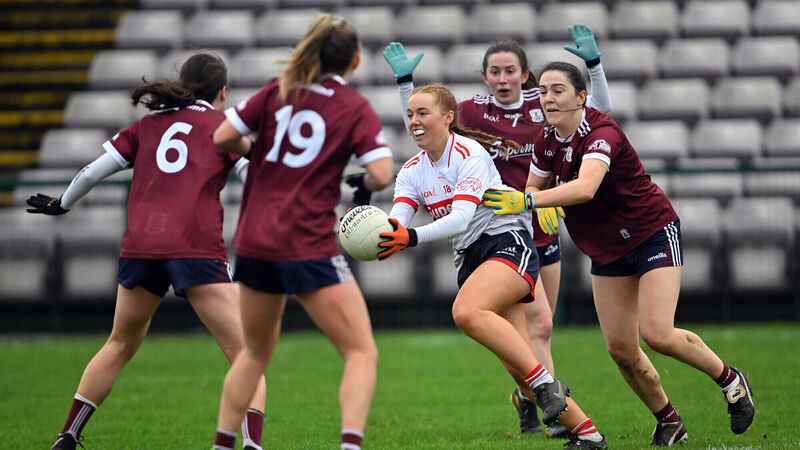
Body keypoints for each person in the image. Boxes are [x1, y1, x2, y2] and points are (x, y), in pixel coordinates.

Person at [483, 61, 755, 447]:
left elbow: (586, 187)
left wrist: (529, 199)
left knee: (657, 334)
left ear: (581, 96)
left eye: (557, 90)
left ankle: (731, 381)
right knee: (621, 349)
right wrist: (536, 204)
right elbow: (533, 185)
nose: (547, 98)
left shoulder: (601, 131)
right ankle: (670, 422)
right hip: (606, 250)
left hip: (651, 234)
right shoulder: (546, 140)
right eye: (542, 90)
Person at [26, 51, 267, 450]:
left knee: (119, 343)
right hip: (195, 247)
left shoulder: (147, 126)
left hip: (141, 247)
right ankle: (252, 446)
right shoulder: (223, 128)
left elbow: (91, 172)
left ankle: (68, 435)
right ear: (223, 91)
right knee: (247, 353)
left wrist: (62, 204)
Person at [382, 24, 612, 438]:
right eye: (494, 71)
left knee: (477, 314)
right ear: (485, 76)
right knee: (521, 361)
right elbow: (403, 203)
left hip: (512, 232)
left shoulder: (478, 144)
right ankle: (584, 431)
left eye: (511, 70)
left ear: (525, 74)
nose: (502, 78)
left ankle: (543, 390)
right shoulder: (420, 163)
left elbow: (596, 113)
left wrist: (593, 67)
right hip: (473, 250)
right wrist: (385, 232)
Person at [210, 14, 393, 450]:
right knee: (360, 351)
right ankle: (350, 445)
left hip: (254, 240)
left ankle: (220, 446)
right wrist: (363, 184)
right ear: (355, 60)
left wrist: (255, 152)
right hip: (305, 242)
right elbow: (383, 173)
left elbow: (221, 136)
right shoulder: (352, 106)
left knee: (253, 354)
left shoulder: (279, 90)